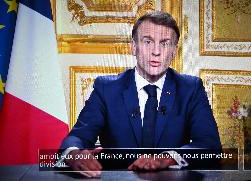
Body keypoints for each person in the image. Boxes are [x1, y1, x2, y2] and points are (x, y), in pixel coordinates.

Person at [59, 11, 221, 177]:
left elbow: (210, 146)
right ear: (133, 47)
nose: (156, 51)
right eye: (148, 41)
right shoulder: (106, 88)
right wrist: (73, 154)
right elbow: (77, 137)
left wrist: (168, 158)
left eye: (165, 43)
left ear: (174, 51)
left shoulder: (191, 89)